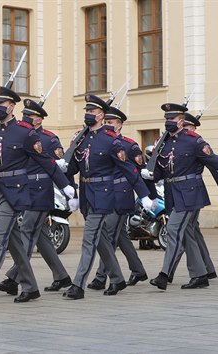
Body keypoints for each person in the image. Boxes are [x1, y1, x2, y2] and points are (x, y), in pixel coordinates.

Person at [0, 86, 74, 307]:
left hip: (15, 191)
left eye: (2, 104)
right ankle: (30, 287)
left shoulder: (25, 132)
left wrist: (66, 186)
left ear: (12, 106)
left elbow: (46, 161)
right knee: (15, 241)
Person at [143, 103, 218, 290]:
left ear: (181, 121)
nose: (167, 123)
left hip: (190, 193)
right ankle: (200, 275)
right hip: (173, 193)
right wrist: (151, 175)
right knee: (187, 234)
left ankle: (164, 275)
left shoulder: (194, 141)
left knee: (173, 230)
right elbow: (163, 170)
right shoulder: (164, 143)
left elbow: (215, 163)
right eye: (166, 119)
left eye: (171, 119)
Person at [63, 95, 153, 300]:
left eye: (92, 112)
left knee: (89, 239)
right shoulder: (81, 139)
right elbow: (74, 168)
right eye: (86, 111)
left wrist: (145, 194)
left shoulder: (111, 140)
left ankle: (78, 285)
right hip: (86, 194)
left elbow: (129, 169)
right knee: (102, 239)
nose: (88, 115)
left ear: (101, 115)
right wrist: (70, 187)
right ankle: (117, 278)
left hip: (104, 195)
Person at [0, 98, 74, 298]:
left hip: (39, 190)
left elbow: (59, 168)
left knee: (27, 230)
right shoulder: (17, 134)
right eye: (24, 115)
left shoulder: (48, 139)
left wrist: (70, 190)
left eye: (30, 116)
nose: (26, 118)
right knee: (41, 236)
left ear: (39, 119)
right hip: (23, 189)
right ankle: (61, 276)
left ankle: (14, 278)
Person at [86, 106, 149, 290]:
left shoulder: (129, 145)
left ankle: (101, 277)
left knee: (107, 235)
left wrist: (147, 195)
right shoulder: (99, 141)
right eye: (106, 122)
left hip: (120, 195)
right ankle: (138, 270)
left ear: (120, 126)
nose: (107, 125)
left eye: (111, 123)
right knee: (120, 236)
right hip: (105, 194)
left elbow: (138, 173)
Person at [165, 112, 218, 282]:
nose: (183, 130)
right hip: (177, 194)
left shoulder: (196, 143)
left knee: (183, 231)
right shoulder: (173, 142)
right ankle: (206, 270)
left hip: (191, 194)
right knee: (191, 232)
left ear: (192, 128)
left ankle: (169, 273)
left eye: (186, 127)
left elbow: (216, 168)